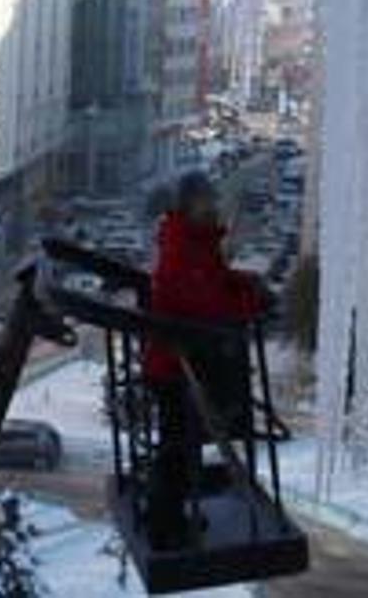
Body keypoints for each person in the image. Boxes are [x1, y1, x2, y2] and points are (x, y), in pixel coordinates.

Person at [143, 170, 268, 549]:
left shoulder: (195, 241)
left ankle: (172, 513)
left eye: (212, 200)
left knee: (183, 444)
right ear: (187, 205)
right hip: (173, 364)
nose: (213, 206)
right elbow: (204, 303)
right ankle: (166, 525)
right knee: (177, 447)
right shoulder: (183, 246)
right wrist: (251, 302)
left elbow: (215, 281)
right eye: (205, 201)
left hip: (184, 361)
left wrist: (247, 285)